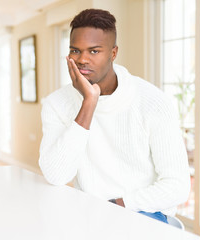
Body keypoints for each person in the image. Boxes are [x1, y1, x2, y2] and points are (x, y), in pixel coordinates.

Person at [38, 8, 190, 223]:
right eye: (75, 50)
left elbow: (177, 186)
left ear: (113, 53)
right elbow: (56, 175)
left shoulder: (153, 102)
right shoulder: (56, 103)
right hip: (90, 215)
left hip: (143, 211)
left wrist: (117, 205)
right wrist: (89, 103)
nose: (82, 59)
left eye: (94, 51)